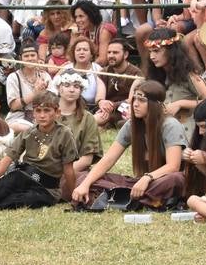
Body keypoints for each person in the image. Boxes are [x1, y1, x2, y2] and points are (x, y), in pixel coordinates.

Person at [72, 80, 186, 209]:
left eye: (142, 100)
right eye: (134, 99)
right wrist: (85, 184)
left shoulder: (170, 125)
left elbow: (173, 166)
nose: (135, 104)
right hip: (138, 183)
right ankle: (134, 198)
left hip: (160, 181)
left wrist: (147, 177)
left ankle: (119, 198)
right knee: (83, 177)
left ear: (156, 104)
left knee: (177, 179)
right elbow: (108, 159)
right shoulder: (132, 125)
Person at [0, 90, 77, 208]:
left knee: (22, 200)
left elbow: (68, 169)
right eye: (38, 111)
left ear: (57, 112)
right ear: (33, 113)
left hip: (47, 188)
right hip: (23, 178)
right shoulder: (29, 132)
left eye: (47, 110)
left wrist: (73, 196)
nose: (42, 115)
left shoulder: (64, 134)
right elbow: (9, 157)